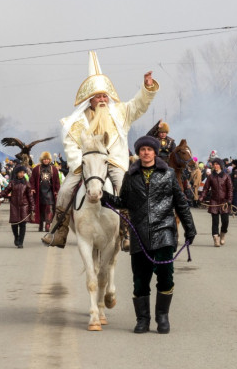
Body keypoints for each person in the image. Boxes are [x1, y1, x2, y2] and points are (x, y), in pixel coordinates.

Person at [42, 51, 159, 249]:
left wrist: (147, 88)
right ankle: (59, 231)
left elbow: (139, 105)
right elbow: (71, 146)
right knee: (64, 191)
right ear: (89, 99)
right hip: (85, 164)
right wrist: (80, 164)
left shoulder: (121, 113)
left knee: (125, 187)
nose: (102, 99)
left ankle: (127, 233)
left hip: (113, 162)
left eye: (105, 95)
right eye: (98, 96)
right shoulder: (75, 123)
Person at [102, 135, 196, 334]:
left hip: (164, 233)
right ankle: (142, 320)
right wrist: (104, 197)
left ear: (155, 152)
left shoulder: (168, 174)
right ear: (139, 153)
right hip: (139, 233)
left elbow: (180, 203)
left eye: (149, 149)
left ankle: (162, 317)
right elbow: (124, 202)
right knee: (140, 280)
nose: (146, 153)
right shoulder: (131, 176)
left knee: (166, 278)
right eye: (142, 149)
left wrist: (190, 228)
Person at [0, 165, 35, 248]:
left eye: (23, 172)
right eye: (20, 172)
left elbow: (30, 196)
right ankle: (16, 237)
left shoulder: (26, 183)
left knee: (23, 224)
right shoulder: (12, 183)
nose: (22, 174)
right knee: (14, 224)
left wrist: (32, 207)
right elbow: (4, 192)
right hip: (14, 206)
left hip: (24, 206)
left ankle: (21, 242)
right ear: (16, 173)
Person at [201, 158, 232, 246]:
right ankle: (216, 238)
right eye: (214, 164)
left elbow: (230, 189)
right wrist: (201, 198)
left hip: (224, 202)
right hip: (214, 201)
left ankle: (222, 234)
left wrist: (229, 200)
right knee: (215, 222)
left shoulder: (226, 176)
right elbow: (205, 189)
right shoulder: (211, 177)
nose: (215, 166)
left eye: (217, 164)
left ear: (221, 165)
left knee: (225, 221)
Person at [30, 151, 60, 232]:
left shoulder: (53, 169)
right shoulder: (36, 169)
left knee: (49, 208)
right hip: (39, 192)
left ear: (49, 160)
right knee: (40, 208)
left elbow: (57, 180)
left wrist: (57, 190)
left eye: (47, 159)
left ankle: (48, 224)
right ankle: (40, 224)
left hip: (50, 191)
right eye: (44, 159)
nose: (46, 160)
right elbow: (32, 179)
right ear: (42, 160)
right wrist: (32, 188)